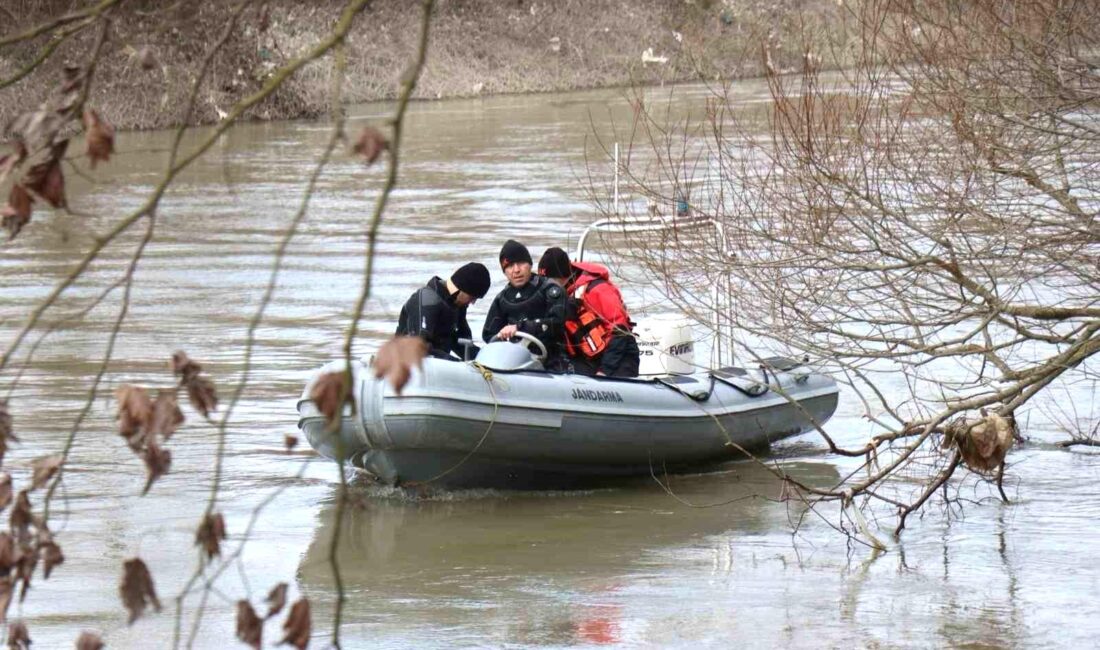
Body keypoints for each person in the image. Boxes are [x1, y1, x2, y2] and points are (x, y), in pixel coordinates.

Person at [537, 247, 640, 378]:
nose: (547, 288)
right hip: (588, 358)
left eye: (550, 283)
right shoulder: (558, 297)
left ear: (564, 278)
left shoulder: (598, 289)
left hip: (619, 358)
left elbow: (620, 331)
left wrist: (604, 371)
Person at [482, 239, 569, 367]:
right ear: (504, 271)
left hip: (553, 360)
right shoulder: (502, 299)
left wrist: (519, 327)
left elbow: (556, 323)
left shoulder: (551, 289)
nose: (516, 270)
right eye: (510, 266)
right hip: (513, 361)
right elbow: (489, 335)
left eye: (521, 263)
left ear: (530, 265)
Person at [395, 262, 490, 360]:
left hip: (438, 366)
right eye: (472, 297)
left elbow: (462, 343)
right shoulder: (427, 300)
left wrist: (485, 357)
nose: (472, 303)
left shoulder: (457, 305)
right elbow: (418, 345)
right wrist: (454, 362)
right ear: (461, 289)